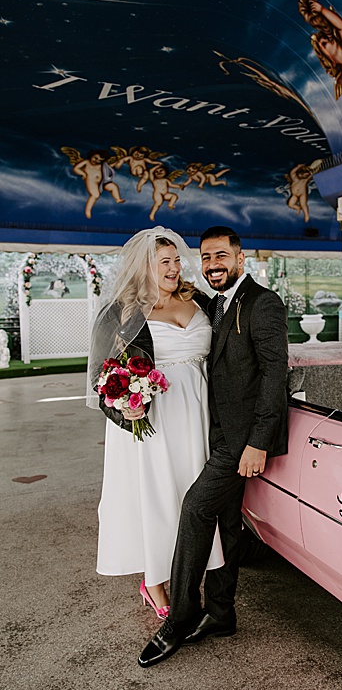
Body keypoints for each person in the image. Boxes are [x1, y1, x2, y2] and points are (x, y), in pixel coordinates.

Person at [138, 226, 290, 667]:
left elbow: (274, 378)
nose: (212, 265)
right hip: (212, 431)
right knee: (225, 520)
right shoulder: (213, 303)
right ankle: (221, 614)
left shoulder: (264, 304)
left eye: (221, 256)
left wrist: (258, 443)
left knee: (195, 508)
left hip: (241, 441)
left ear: (241, 259)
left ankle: (180, 617)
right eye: (205, 258)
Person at [88, 228, 223, 622]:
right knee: (160, 497)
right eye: (164, 262)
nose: (174, 268)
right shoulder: (122, 312)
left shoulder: (198, 300)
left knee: (194, 493)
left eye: (177, 260)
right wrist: (123, 409)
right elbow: (102, 377)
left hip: (198, 413)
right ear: (144, 266)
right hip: (154, 420)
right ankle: (156, 581)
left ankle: (192, 569)